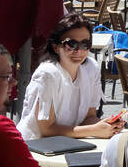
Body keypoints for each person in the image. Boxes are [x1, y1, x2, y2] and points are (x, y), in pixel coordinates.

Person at [18, 14, 121, 142]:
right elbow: (46, 129)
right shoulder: (48, 74)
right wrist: (94, 130)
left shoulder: (91, 68)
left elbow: (89, 117)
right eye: (71, 44)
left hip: (71, 144)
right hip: (36, 146)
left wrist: (108, 126)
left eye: (85, 44)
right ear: (56, 47)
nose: (79, 50)